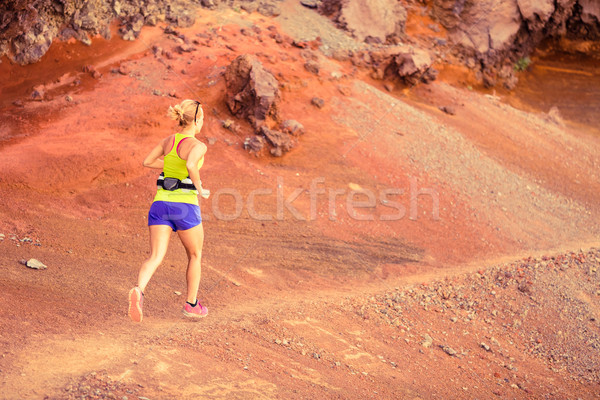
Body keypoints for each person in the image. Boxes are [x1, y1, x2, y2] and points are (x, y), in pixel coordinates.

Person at [128, 99, 208, 322]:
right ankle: (191, 305)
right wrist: (200, 188)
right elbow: (191, 165)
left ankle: (139, 290)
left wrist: (170, 166)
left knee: (155, 256)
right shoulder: (198, 146)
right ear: (197, 120)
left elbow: (147, 161)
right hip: (185, 207)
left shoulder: (167, 141)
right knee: (194, 254)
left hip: (160, 205)